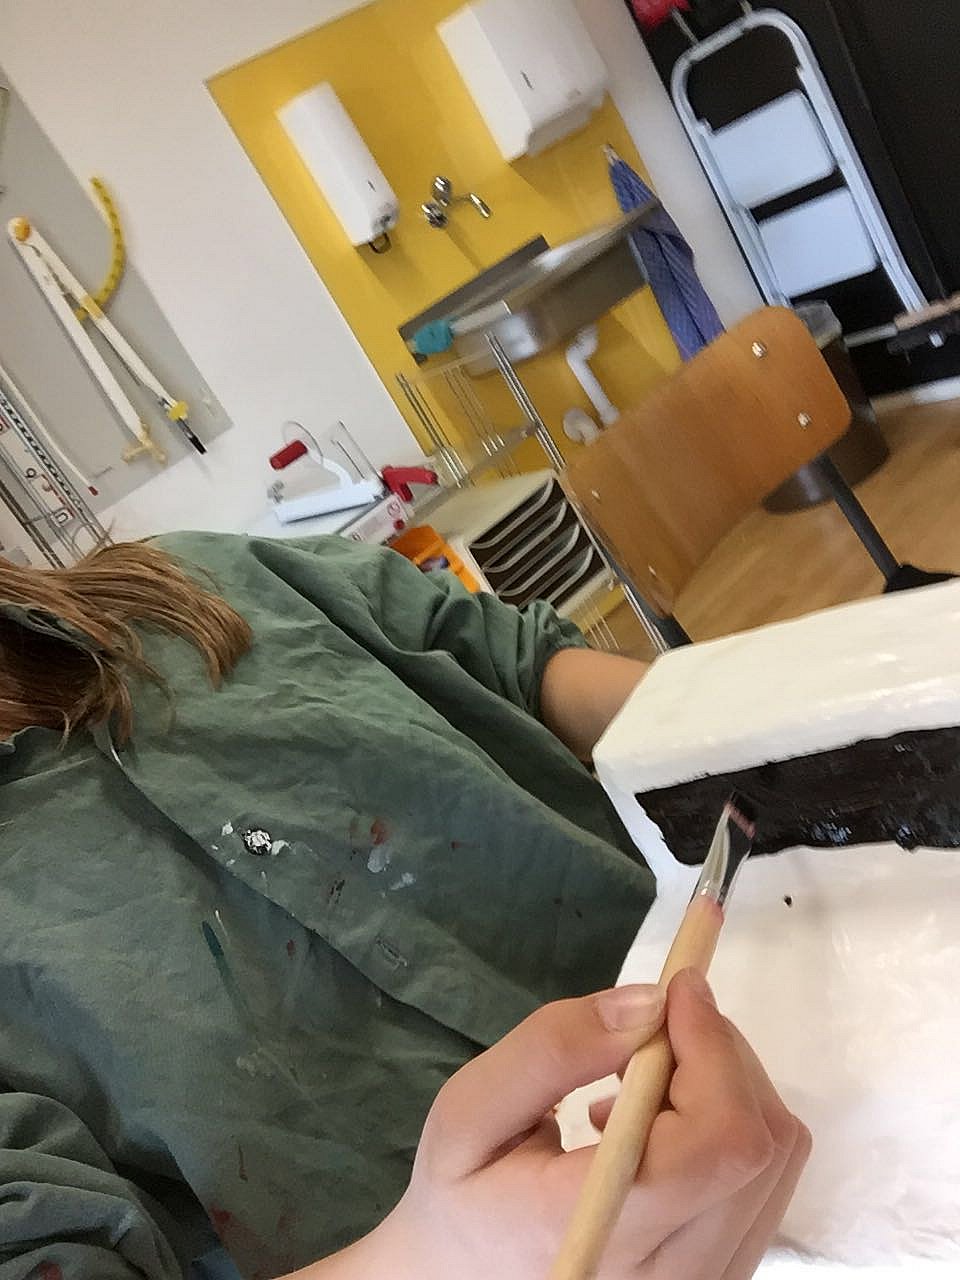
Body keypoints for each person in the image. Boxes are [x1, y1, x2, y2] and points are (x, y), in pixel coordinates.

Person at [0, 532, 808, 1279]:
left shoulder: (197, 584)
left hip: (816, 997)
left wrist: (772, 725)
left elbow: (514, 666)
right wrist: (441, 1253)